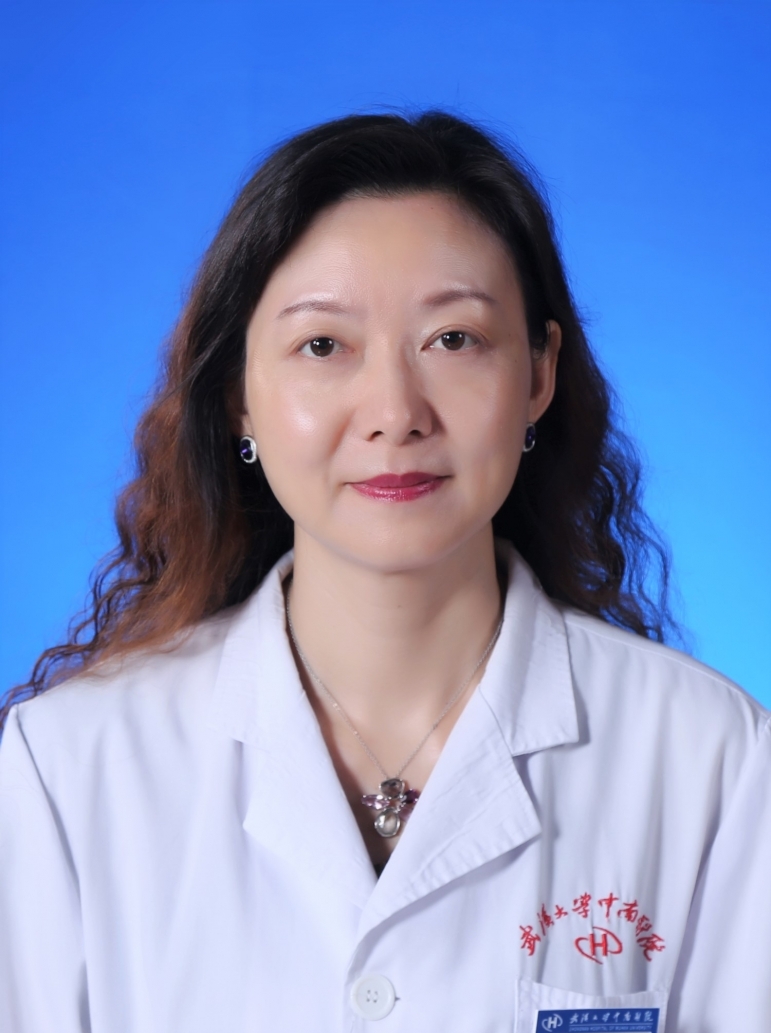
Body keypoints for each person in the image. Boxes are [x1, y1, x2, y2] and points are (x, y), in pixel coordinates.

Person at [0, 112, 768, 1033]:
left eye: (454, 339)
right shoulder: (69, 767)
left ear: (537, 374)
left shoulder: (712, 761)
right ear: (238, 396)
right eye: (323, 345)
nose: (395, 412)